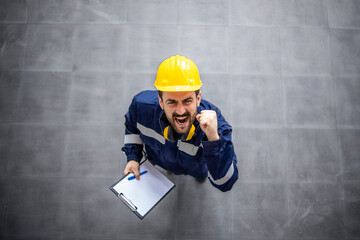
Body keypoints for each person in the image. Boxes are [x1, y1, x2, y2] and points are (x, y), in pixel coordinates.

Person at [122, 55, 238, 192]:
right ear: (161, 101)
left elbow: (225, 183)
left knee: (201, 175)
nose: (181, 111)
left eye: (187, 101)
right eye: (172, 102)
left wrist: (213, 139)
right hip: (160, 162)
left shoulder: (216, 126)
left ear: (198, 98)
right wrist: (133, 158)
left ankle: (199, 177)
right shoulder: (141, 107)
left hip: (196, 169)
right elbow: (132, 129)